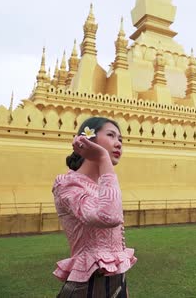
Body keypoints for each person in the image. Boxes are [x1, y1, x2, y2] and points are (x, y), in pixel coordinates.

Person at [53, 117, 137, 298]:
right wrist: (102, 158)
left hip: (116, 285)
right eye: (111, 135)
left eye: (120, 139)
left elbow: (116, 252)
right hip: (86, 287)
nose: (119, 144)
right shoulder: (68, 185)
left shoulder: (102, 187)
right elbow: (109, 217)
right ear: (88, 140)